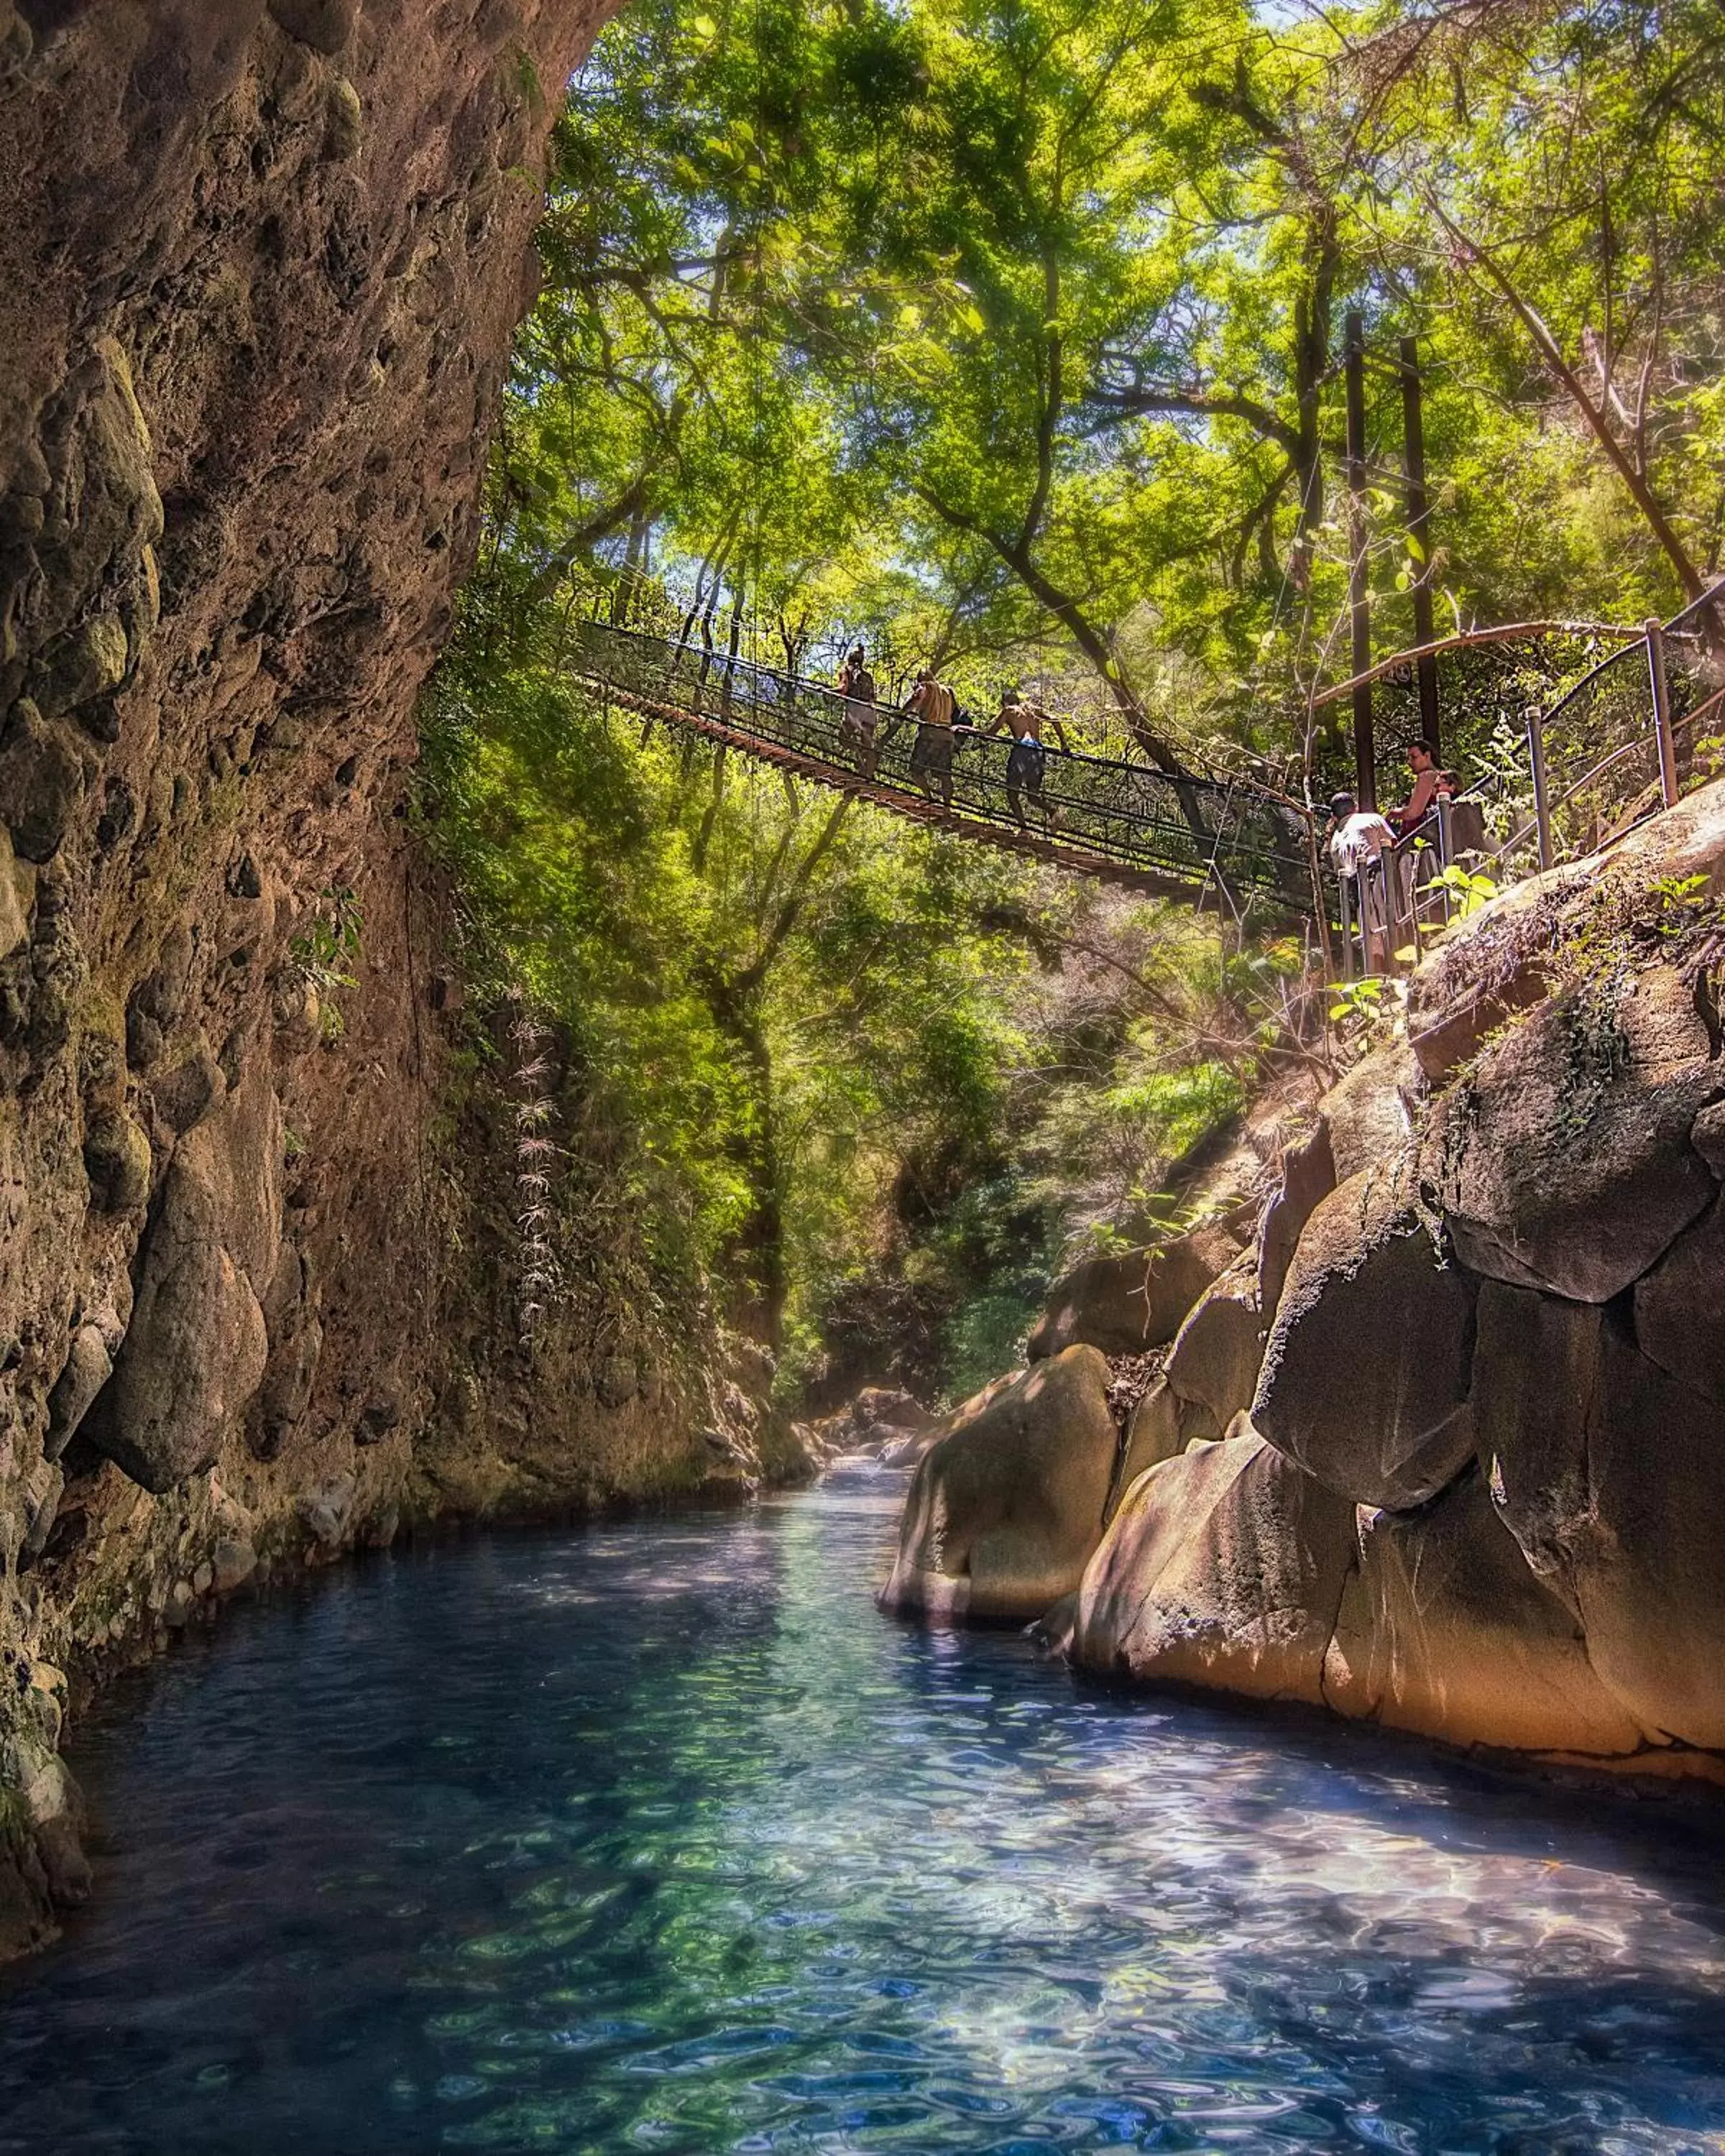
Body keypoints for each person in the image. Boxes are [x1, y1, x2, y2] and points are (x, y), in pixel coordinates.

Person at [1327, 789, 1400, 971]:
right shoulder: (1371, 818)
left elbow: (1339, 870)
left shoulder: (1335, 840)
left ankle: (1376, 976)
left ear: (1334, 817)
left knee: (1370, 932)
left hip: (1356, 885)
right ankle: (1402, 965)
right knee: (1393, 919)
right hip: (1382, 875)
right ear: (1356, 807)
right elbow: (1393, 844)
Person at [988, 687, 1070, 834]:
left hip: (1022, 751)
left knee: (1012, 793)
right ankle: (1053, 812)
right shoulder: (1032, 709)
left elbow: (992, 732)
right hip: (1038, 752)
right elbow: (1054, 719)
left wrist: (977, 736)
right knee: (1032, 796)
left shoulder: (1009, 711)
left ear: (1005, 702)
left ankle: (1024, 829)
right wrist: (1063, 742)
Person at [907, 666, 958, 812]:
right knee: (944, 775)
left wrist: (902, 712)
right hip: (947, 735)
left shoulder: (925, 686)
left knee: (915, 770)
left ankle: (928, 797)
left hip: (929, 734)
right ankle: (947, 808)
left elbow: (916, 698)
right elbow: (954, 710)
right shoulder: (948, 691)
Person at [837, 644, 878, 778]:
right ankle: (868, 776)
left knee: (843, 739)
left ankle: (859, 751)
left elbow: (843, 689)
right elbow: (873, 697)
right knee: (867, 745)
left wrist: (826, 692)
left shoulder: (846, 670)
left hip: (855, 711)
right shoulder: (868, 676)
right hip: (870, 712)